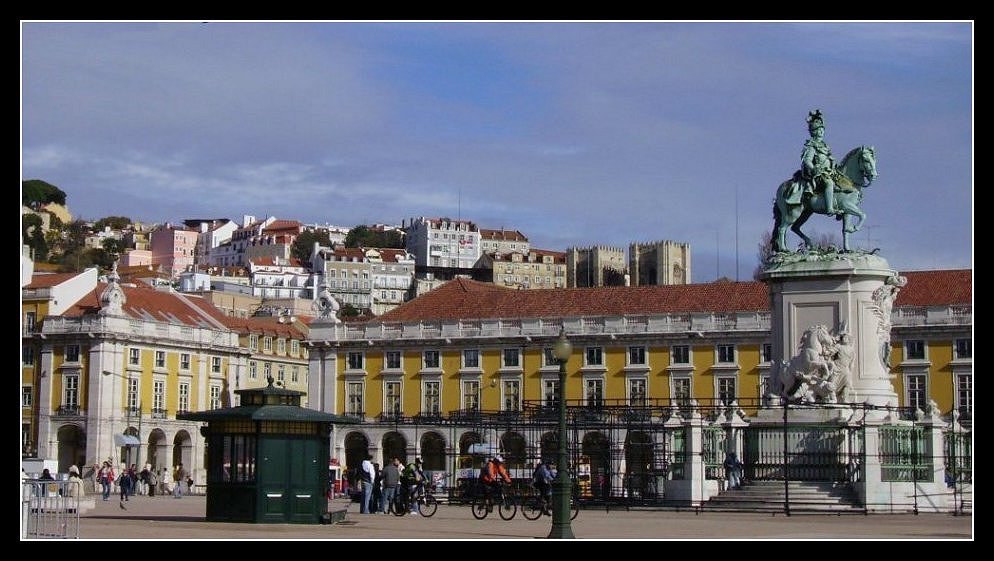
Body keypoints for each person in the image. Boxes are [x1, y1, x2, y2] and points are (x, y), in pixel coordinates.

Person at [801, 109, 840, 216]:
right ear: (814, 132)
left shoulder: (825, 146)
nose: (822, 132)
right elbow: (807, 160)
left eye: (823, 130)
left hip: (829, 173)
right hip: (818, 174)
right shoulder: (812, 145)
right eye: (819, 130)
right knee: (829, 183)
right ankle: (829, 209)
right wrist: (814, 168)